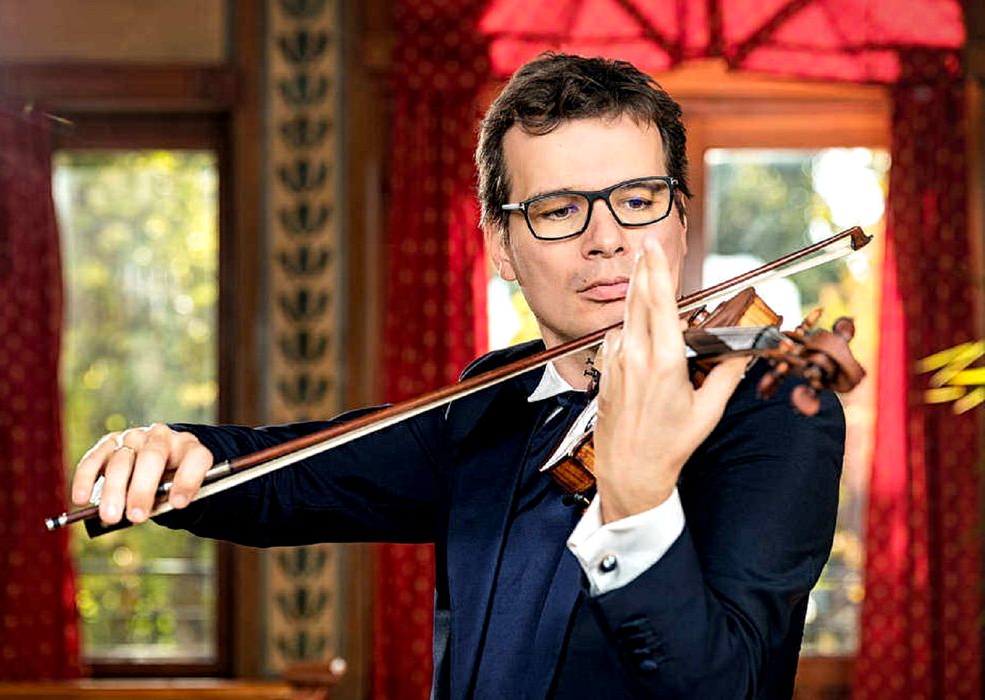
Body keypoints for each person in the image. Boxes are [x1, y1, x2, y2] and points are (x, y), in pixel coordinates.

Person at [70, 53, 844, 699]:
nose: (607, 239)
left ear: (679, 219)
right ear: (501, 246)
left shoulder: (770, 409)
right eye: (559, 210)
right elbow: (305, 474)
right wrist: (186, 453)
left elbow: (729, 686)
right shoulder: (491, 401)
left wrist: (639, 504)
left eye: (638, 200)